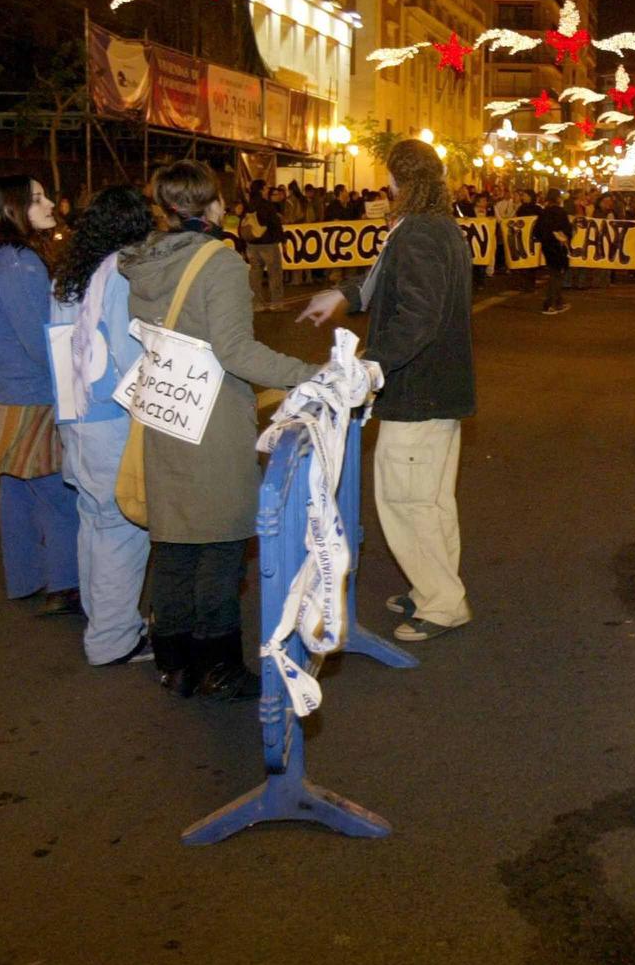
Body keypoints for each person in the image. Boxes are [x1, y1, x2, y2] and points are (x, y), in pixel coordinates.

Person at [119, 161, 318, 700]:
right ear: (212, 204)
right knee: (221, 547)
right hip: (210, 418)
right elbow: (236, 350)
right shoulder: (220, 263)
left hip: (164, 413)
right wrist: (309, 375)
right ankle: (218, 665)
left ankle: (175, 662)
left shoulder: (141, 262)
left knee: (176, 544)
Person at [299, 140, 476, 644]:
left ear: (402, 181)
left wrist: (371, 368)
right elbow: (385, 282)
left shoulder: (418, 233)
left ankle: (443, 603)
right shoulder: (432, 227)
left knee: (407, 499)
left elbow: (417, 317)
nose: (387, 186)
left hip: (418, 391)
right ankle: (433, 587)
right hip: (438, 390)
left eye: (391, 178)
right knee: (432, 500)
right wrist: (345, 293)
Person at [49, 185, 156, 666]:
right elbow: (131, 355)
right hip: (112, 420)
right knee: (121, 526)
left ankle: (104, 619)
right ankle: (114, 638)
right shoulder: (120, 277)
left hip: (77, 415)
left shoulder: (69, 276)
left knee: (93, 521)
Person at [0, 175, 80, 612]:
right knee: (59, 493)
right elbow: (41, 341)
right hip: (30, 396)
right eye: (37, 199)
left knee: (16, 491)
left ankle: (26, 577)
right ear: (14, 208)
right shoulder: (21, 263)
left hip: (3, 394)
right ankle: (65, 584)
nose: (50, 202)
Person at [237, 179, 286, 309]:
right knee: (274, 273)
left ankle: (256, 303)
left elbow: (241, 225)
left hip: (252, 244)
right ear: (261, 190)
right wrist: (283, 240)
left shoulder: (248, 205)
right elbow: (275, 224)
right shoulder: (266, 205)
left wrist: (242, 245)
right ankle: (276, 303)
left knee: (255, 274)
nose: (267, 190)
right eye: (266, 188)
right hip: (268, 243)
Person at [536, 188, 573, 314]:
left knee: (554, 273)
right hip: (558, 245)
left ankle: (558, 302)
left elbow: (537, 231)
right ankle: (549, 304)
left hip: (547, 246)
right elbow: (567, 229)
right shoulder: (560, 212)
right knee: (556, 275)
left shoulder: (544, 212)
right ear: (557, 198)